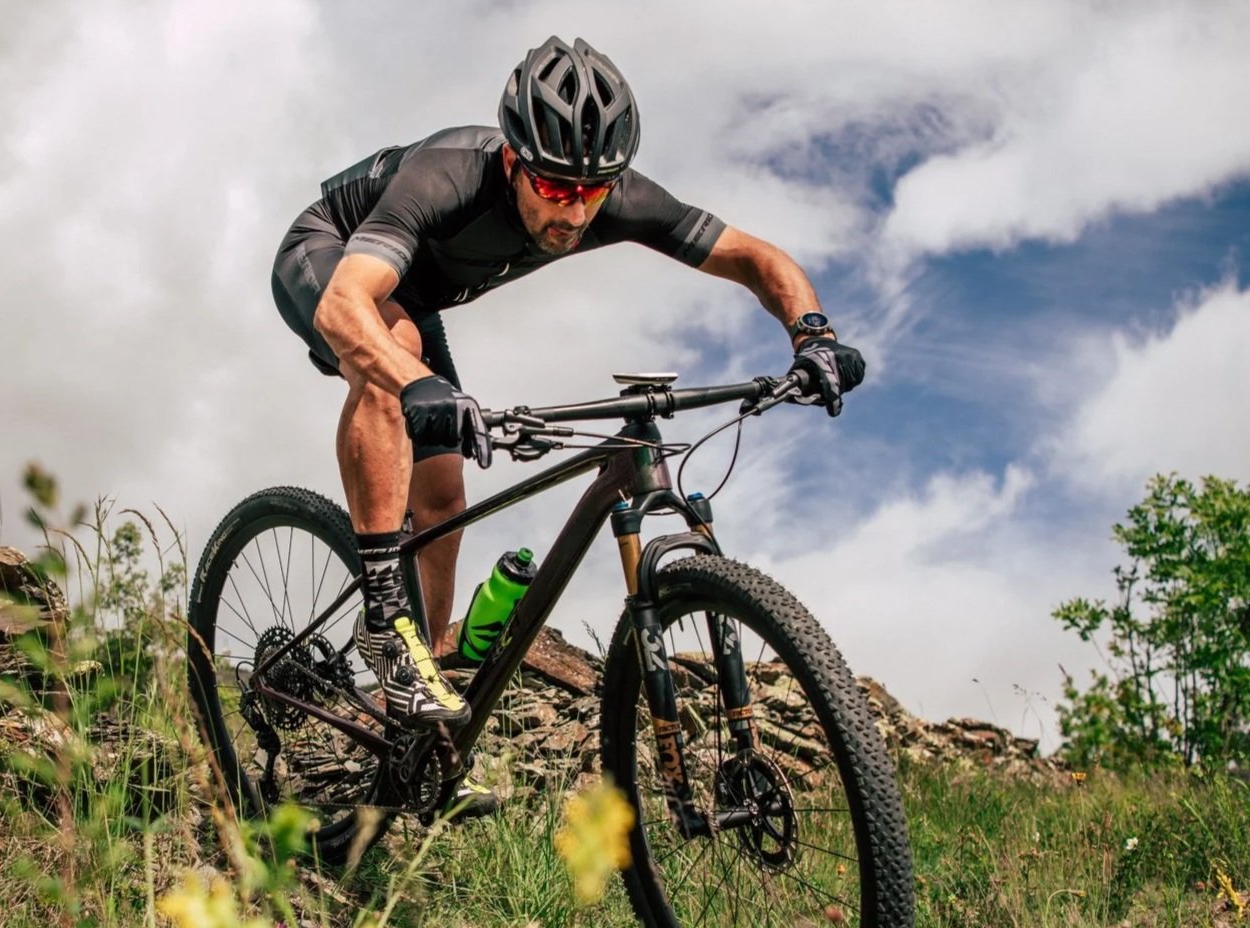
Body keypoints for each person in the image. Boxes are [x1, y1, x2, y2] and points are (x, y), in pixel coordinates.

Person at [271, 36, 864, 740]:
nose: (576, 214)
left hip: (415, 295)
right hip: (331, 257)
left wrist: (813, 333)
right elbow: (346, 308)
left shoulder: (613, 198)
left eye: (594, 191)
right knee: (392, 354)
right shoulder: (445, 178)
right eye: (555, 189)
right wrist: (415, 383)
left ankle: (423, 682)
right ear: (514, 162)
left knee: (442, 495)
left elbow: (752, 256)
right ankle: (382, 618)